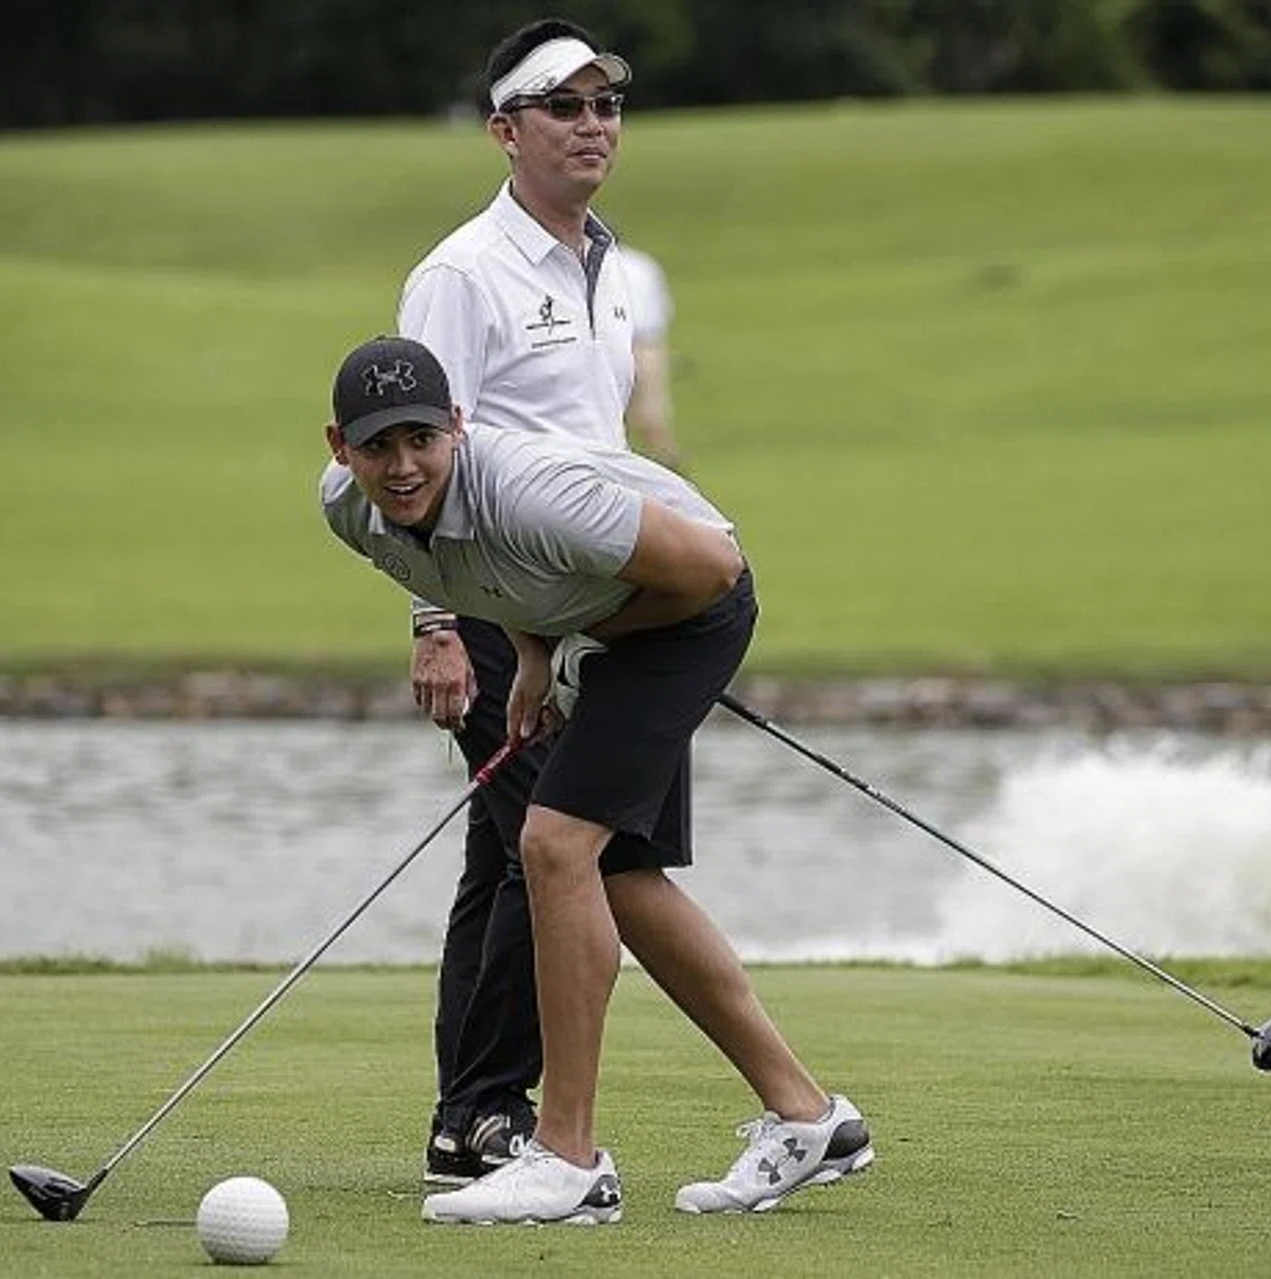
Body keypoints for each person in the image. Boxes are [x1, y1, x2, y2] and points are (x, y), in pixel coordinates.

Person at [318, 334, 874, 1225]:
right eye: (378, 445)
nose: (403, 465)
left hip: (686, 605)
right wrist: (535, 655)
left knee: (552, 842)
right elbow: (487, 575)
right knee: (620, 877)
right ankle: (811, 1118)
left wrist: (583, 650)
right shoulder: (348, 511)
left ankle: (569, 1158)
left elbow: (713, 573)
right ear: (339, 446)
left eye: (422, 439)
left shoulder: (537, 494)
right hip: (608, 612)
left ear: (459, 427)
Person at [396, 18, 666, 1186]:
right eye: (564, 106)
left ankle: (472, 1117)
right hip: (497, 611)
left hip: (594, 617)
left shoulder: (610, 266)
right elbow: (405, 455)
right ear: (506, 132)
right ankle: (496, 1117)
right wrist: (435, 624)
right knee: (555, 858)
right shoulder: (461, 273)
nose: (592, 125)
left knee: (505, 860)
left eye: (606, 105)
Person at [618, 243, 681, 470]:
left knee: (613, 420)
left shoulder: (599, 264)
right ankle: (671, 472)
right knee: (651, 418)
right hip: (649, 345)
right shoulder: (643, 263)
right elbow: (662, 308)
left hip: (617, 346)